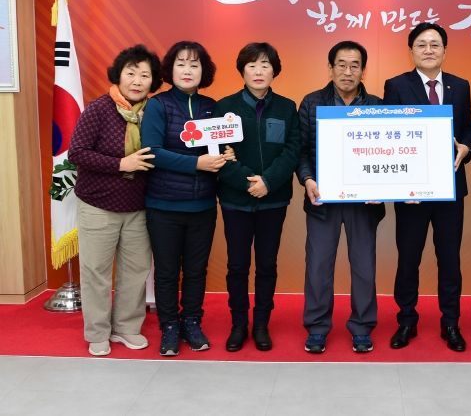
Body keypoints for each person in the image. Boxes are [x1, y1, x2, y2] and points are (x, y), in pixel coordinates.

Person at [383, 22, 471, 352]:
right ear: (411, 51)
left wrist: (466, 147)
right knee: (409, 259)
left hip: (450, 188)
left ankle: (451, 322)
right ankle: (406, 320)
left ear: (445, 51)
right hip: (411, 192)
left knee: (449, 260)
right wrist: (397, 185)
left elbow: (468, 129)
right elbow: (388, 134)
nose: (429, 50)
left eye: (435, 44)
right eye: (421, 44)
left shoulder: (460, 86)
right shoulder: (396, 85)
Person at [69, 44, 160, 356]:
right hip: (98, 205)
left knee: (135, 271)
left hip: (139, 206)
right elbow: (77, 153)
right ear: (118, 75)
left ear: (153, 81)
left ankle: (126, 327)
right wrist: (122, 163)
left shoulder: (154, 112)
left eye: (145, 75)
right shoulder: (99, 109)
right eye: (131, 73)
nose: (137, 80)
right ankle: (97, 332)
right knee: (96, 271)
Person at [141, 41, 229, 356]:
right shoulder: (158, 105)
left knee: (196, 271)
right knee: (166, 272)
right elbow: (152, 152)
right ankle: (169, 327)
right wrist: (196, 164)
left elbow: (220, 149)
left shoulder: (212, 107)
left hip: (203, 205)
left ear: (204, 71)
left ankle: (192, 321)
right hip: (163, 206)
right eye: (181, 64)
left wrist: (227, 154)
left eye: (194, 64)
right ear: (170, 69)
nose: (187, 70)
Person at [297, 41, 385, 354]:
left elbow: (385, 153)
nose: (348, 72)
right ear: (331, 67)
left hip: (364, 203)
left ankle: (362, 327)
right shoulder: (311, 103)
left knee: (364, 267)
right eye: (341, 65)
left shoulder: (377, 106)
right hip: (323, 199)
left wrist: (382, 188)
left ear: (363, 70)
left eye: (354, 65)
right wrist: (307, 179)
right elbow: (301, 150)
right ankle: (317, 327)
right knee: (318, 267)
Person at [215, 42, 301, 352]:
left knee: (267, 265)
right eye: (252, 65)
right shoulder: (224, 108)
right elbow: (218, 154)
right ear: (242, 70)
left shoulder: (287, 107)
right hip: (235, 200)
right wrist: (246, 182)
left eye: (265, 65)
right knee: (237, 266)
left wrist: (268, 181)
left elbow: (292, 150)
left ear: (274, 70)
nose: (259, 71)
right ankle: (239, 324)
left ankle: (262, 323)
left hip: (273, 199)